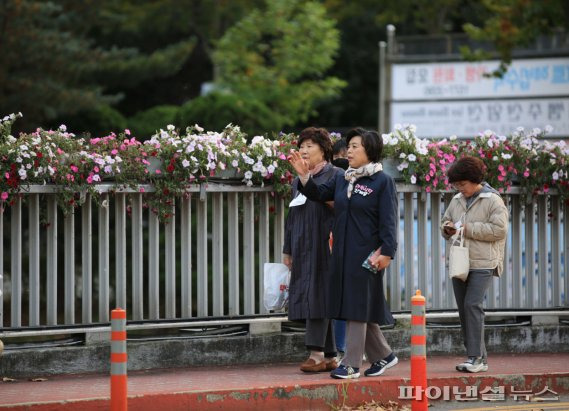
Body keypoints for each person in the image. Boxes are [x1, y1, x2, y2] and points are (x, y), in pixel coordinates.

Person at [289, 127, 399, 379]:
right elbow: (318, 194)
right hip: (341, 253)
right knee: (356, 305)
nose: (348, 150)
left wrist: (387, 252)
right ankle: (384, 356)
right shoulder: (343, 178)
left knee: (355, 307)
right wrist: (305, 177)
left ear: (369, 150)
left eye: (355, 146)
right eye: (348, 146)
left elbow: (389, 222)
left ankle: (350, 364)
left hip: (368, 255)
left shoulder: (383, 181)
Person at [441, 156, 508, 373]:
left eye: (463, 184)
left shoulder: (493, 200)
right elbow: (445, 221)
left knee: (472, 305)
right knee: (464, 309)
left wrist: (468, 228)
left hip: (483, 263)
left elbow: (499, 231)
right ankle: (479, 358)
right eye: (456, 185)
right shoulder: (457, 199)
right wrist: (447, 228)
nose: (460, 189)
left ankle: (475, 357)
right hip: (460, 261)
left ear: (474, 179)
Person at [283, 127, 342, 373]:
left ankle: (315, 354)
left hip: (325, 244)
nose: (304, 150)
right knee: (312, 295)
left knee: (319, 294)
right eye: (302, 146)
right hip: (302, 244)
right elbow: (292, 215)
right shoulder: (298, 179)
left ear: (324, 149)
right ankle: (330, 355)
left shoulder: (336, 175)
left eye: (310, 146)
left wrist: (309, 180)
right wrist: (288, 250)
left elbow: (340, 207)